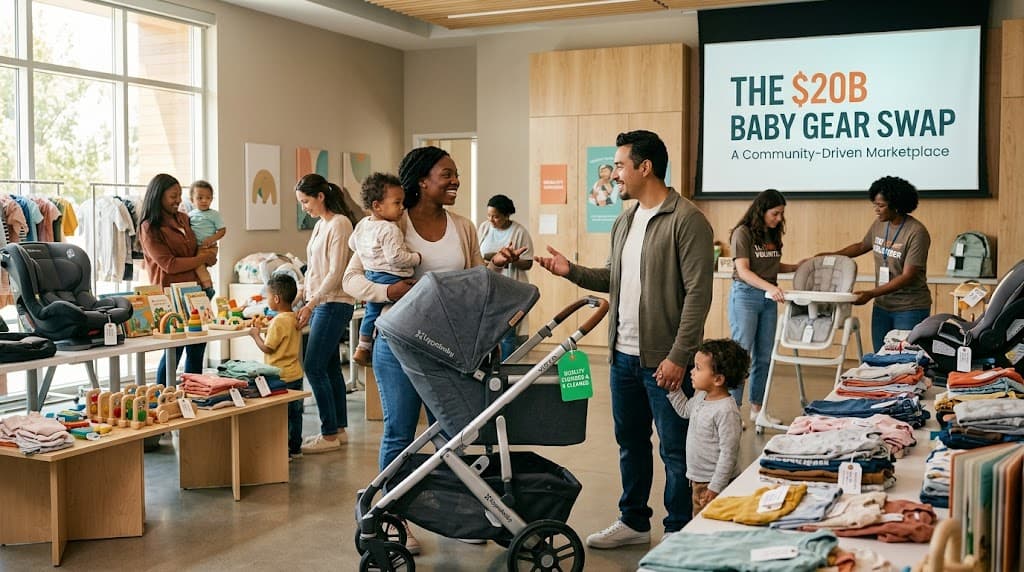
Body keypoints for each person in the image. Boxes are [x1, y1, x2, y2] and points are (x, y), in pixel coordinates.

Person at [535, 130, 714, 547]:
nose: (614, 174)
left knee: (675, 451)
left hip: (664, 361)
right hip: (622, 358)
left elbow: (698, 296)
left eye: (619, 165)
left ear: (644, 167)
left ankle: (677, 532)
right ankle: (634, 522)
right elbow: (613, 277)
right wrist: (571, 270)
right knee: (630, 444)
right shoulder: (625, 221)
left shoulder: (687, 221)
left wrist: (679, 355)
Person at [343, 146, 522, 555]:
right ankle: (394, 518)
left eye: (456, 174)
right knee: (400, 430)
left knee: (458, 432)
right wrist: (388, 290)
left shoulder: (463, 226)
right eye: (447, 174)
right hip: (398, 342)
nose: (455, 181)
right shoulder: (388, 222)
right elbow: (351, 279)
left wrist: (496, 264)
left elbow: (476, 277)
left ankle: (459, 516)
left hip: (451, 345)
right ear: (423, 180)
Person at [822, 176, 931, 351]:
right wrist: (831, 256)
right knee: (879, 359)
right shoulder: (880, 224)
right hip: (882, 306)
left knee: (904, 362)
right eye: (875, 204)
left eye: (880, 206)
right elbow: (861, 246)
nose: (876, 210)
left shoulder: (916, 232)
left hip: (909, 308)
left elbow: (908, 276)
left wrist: (870, 293)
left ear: (896, 205)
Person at [294, 173, 357, 454]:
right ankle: (338, 429)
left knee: (314, 366)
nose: (303, 207)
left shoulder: (340, 224)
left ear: (320, 196)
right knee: (330, 366)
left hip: (334, 302)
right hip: (322, 301)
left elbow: (336, 271)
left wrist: (312, 302)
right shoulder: (322, 224)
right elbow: (315, 267)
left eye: (306, 201)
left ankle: (328, 434)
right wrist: (303, 291)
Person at [728, 189, 801, 424]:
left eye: (781, 214)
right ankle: (732, 412)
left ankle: (758, 411)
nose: (778, 218)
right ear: (762, 211)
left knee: (764, 356)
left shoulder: (772, 234)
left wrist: (795, 267)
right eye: (775, 213)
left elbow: (770, 265)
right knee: (741, 354)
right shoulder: (743, 233)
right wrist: (769, 288)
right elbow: (744, 270)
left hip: (768, 299)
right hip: (746, 296)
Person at [138, 173, 217, 387]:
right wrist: (201, 258)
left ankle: (194, 393)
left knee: (197, 347)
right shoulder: (149, 226)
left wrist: (208, 256)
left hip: (196, 291)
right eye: (173, 196)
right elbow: (169, 264)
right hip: (169, 295)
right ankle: (163, 396)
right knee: (174, 350)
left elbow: (196, 250)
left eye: (180, 195)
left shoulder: (184, 218)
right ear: (158, 196)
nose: (178, 200)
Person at [667, 339, 748, 516]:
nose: (691, 372)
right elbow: (684, 410)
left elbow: (728, 453)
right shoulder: (702, 396)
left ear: (718, 379)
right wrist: (672, 389)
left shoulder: (726, 410)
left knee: (711, 525)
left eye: (698, 368)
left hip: (715, 483)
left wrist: (716, 486)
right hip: (698, 480)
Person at [349, 172, 421, 367]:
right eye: (397, 203)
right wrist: (416, 258)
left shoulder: (363, 224)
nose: (402, 207)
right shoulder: (390, 229)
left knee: (371, 310)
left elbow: (352, 244)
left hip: (372, 273)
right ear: (377, 206)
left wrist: (368, 254)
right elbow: (396, 258)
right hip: (390, 276)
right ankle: (365, 347)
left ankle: (363, 346)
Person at [248, 274, 304, 460]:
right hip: (295, 373)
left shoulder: (278, 322)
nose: (267, 300)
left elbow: (268, 347)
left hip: (279, 376)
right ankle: (295, 448)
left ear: (277, 298)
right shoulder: (294, 317)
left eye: (268, 297)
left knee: (281, 415)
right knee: (295, 414)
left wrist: (255, 334)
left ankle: (283, 450)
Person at [477, 194, 534, 359]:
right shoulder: (484, 228)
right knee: (486, 331)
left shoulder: (519, 232)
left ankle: (506, 368)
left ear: (506, 215)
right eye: (489, 216)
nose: (491, 220)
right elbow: (478, 254)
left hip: (509, 289)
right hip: (488, 288)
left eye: (496, 216)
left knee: (508, 333)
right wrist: (493, 257)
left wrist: (511, 259)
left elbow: (528, 263)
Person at [187, 180, 225, 298]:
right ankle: (204, 287)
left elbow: (222, 230)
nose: (204, 200)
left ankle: (209, 288)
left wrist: (212, 239)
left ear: (212, 199)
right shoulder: (190, 215)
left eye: (208, 198)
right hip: (196, 247)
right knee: (196, 267)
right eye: (200, 198)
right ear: (192, 200)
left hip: (209, 247)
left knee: (198, 265)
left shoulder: (214, 214)